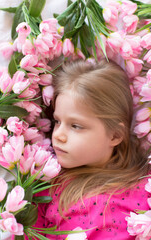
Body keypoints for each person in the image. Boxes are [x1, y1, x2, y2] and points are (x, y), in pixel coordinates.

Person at [34, 60, 151, 240]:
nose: (58, 135)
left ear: (114, 135)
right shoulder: (47, 186)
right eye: (57, 121)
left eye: (75, 126)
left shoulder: (144, 186)